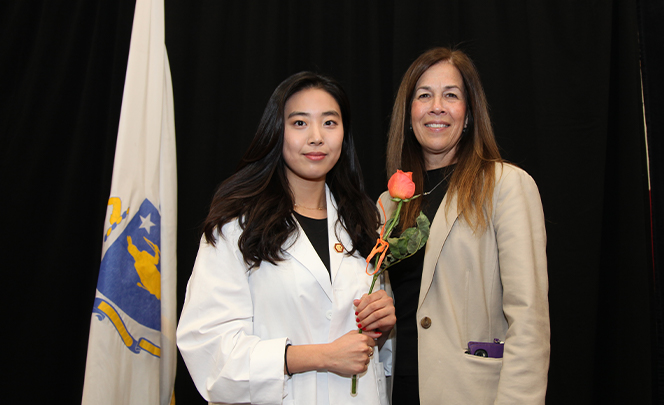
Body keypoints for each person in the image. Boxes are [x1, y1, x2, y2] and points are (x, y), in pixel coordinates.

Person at [177, 72, 395, 405]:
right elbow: (210, 350)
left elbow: (370, 353)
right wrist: (319, 356)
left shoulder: (365, 222)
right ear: (277, 132)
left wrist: (380, 326)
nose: (316, 137)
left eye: (330, 123)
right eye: (299, 123)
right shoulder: (236, 227)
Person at [380, 47, 550, 404]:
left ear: (469, 113)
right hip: (396, 390)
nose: (436, 106)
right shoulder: (387, 204)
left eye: (451, 95)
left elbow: (529, 318)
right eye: (424, 95)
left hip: (472, 392)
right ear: (409, 113)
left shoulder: (506, 186)